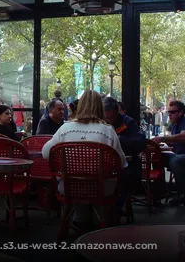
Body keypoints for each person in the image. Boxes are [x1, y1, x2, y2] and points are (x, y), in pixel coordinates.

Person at [42, 90, 126, 231]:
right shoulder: (107, 131)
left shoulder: (65, 129)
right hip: (100, 188)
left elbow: (45, 153)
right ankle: (100, 222)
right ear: (100, 107)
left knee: (78, 183)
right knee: (109, 184)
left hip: (69, 187)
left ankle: (80, 220)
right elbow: (120, 162)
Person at [151, 100, 185, 206]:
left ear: (181, 113)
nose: (169, 114)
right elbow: (176, 146)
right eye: (169, 112)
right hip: (181, 155)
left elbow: (183, 137)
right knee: (157, 156)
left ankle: (183, 194)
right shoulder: (175, 125)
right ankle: (160, 191)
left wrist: (163, 138)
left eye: (173, 112)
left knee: (176, 161)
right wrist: (161, 148)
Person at [103, 96, 147, 207]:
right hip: (106, 165)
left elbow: (141, 142)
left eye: (109, 111)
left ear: (116, 110)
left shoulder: (128, 122)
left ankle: (117, 209)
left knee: (125, 179)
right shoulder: (101, 123)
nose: (106, 114)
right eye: (104, 111)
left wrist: (117, 139)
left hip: (128, 164)